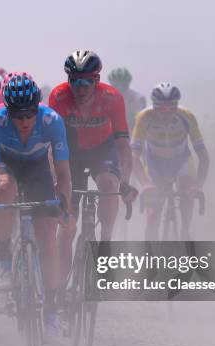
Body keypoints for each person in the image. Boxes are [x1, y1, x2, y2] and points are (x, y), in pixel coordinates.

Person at [0, 74, 72, 337]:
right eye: (17, 115)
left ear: (37, 108)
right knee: (6, 188)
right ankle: (4, 254)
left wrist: (66, 210)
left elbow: (63, 173)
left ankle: (52, 308)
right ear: (7, 111)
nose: (23, 121)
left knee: (48, 241)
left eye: (29, 113)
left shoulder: (52, 121)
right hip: (8, 164)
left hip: (38, 167)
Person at [49, 50, 137, 292]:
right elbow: (52, 145)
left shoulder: (112, 98)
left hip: (102, 149)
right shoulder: (58, 97)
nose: (81, 87)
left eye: (87, 80)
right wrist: (56, 181)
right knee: (67, 227)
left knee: (110, 184)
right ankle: (58, 287)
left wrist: (125, 182)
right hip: (71, 152)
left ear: (97, 80)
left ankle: (105, 243)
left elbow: (122, 145)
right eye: (75, 81)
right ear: (69, 81)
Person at [132, 82, 209, 241]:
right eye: (161, 108)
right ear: (153, 107)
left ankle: (185, 232)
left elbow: (203, 156)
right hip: (155, 164)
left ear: (177, 106)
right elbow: (134, 156)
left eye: (171, 108)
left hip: (181, 161)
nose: (166, 113)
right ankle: (151, 259)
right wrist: (145, 184)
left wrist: (198, 186)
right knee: (153, 214)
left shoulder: (187, 117)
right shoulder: (143, 118)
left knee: (187, 192)